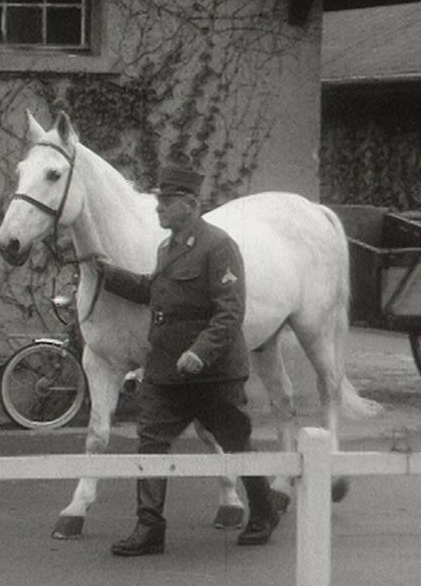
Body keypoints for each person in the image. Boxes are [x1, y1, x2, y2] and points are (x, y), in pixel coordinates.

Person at [98, 164, 281, 557]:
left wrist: (200, 352)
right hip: (165, 371)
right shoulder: (167, 249)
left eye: (167, 201)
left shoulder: (219, 246)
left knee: (235, 443)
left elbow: (230, 311)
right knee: (151, 444)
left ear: (190, 204)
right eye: (159, 200)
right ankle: (149, 528)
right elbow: (154, 291)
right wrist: (106, 275)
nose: (158, 207)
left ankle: (264, 512)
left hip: (211, 373)